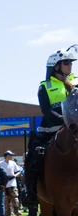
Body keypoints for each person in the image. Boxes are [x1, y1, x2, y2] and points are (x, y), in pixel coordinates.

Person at [25, 46, 78, 205]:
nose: (70, 66)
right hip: (51, 130)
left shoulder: (76, 82)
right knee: (34, 155)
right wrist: (65, 123)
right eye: (66, 63)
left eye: (70, 63)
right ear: (56, 67)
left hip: (76, 129)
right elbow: (46, 110)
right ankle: (31, 192)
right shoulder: (45, 86)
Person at [0, 150, 23, 216]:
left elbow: (19, 171)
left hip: (12, 184)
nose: (12, 157)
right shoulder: (1, 164)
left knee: (15, 200)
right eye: (10, 155)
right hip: (5, 185)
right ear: (7, 156)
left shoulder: (13, 163)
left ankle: (18, 215)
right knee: (6, 202)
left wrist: (14, 176)